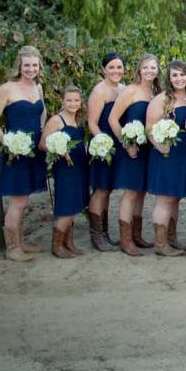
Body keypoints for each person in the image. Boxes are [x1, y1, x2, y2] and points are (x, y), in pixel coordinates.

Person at [0, 45, 48, 262]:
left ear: (39, 67)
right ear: (19, 66)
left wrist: (41, 136)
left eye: (34, 65)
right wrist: (8, 142)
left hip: (33, 150)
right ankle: (12, 248)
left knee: (25, 197)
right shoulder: (7, 88)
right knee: (18, 201)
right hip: (17, 151)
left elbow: (42, 115)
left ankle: (20, 242)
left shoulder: (38, 87)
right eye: (27, 65)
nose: (31, 69)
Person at [109, 53, 161, 256]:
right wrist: (126, 142)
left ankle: (137, 235)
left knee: (141, 191)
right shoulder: (130, 91)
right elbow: (113, 119)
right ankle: (126, 240)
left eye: (153, 68)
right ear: (139, 70)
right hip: (131, 148)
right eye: (146, 67)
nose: (150, 71)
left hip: (148, 148)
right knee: (130, 192)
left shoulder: (157, 92)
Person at [146, 60, 186, 257]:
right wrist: (159, 145)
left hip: (185, 154)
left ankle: (172, 238)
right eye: (174, 75)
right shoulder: (161, 99)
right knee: (165, 200)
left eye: (182, 74)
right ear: (168, 78)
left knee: (175, 198)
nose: (179, 78)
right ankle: (160, 243)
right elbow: (149, 128)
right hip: (166, 154)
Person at [40, 85, 89, 258]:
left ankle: (69, 243)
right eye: (69, 100)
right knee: (66, 206)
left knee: (75, 204)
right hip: (64, 168)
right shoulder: (56, 120)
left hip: (80, 165)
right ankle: (57, 246)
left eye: (76, 100)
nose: (73, 103)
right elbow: (42, 144)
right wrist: (58, 148)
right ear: (62, 101)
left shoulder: (79, 119)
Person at [86, 52, 125, 251]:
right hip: (102, 145)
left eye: (119, 67)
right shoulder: (99, 91)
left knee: (108, 189)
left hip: (116, 144)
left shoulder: (123, 89)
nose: (116, 71)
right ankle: (96, 236)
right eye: (111, 67)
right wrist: (103, 144)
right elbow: (92, 122)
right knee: (100, 189)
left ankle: (105, 233)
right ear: (104, 69)